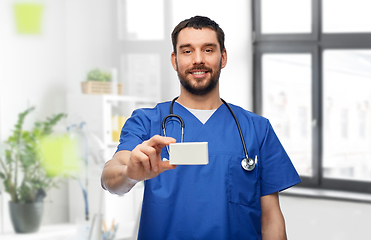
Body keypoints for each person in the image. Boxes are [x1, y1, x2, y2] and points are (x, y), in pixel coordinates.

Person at [101, 15, 301, 240]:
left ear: (222, 57)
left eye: (208, 50)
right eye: (187, 51)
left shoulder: (256, 129)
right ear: (174, 60)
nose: (198, 60)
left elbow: (271, 219)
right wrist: (129, 174)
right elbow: (110, 177)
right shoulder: (147, 122)